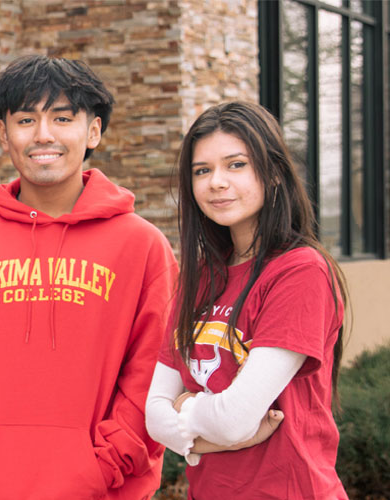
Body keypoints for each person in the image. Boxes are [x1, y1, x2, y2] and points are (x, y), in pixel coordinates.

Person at [0, 55, 174, 499]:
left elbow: (154, 370)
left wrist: (102, 466)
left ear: (93, 131)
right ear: (4, 134)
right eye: (25, 120)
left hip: (107, 489)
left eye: (62, 118)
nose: (43, 135)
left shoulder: (143, 246)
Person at [144, 101, 348, 499]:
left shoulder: (299, 271)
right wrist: (211, 433)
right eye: (202, 171)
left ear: (273, 173)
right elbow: (153, 414)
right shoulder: (199, 278)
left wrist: (186, 410)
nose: (216, 182)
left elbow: (235, 420)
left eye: (235, 164)